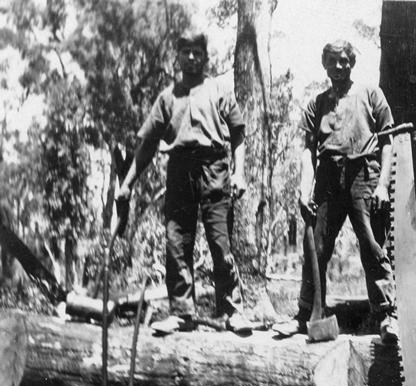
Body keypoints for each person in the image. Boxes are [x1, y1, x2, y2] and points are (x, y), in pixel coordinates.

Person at [116, 31, 257, 335]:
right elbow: (147, 146)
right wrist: (127, 183)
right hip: (179, 170)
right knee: (176, 242)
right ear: (177, 57)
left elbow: (238, 136)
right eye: (186, 52)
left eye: (197, 52)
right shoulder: (167, 98)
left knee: (220, 243)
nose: (192, 58)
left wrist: (239, 173)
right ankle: (182, 313)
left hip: (214, 168)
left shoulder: (220, 90)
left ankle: (232, 310)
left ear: (205, 57)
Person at [272, 40, 397, 342]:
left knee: (371, 245)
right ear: (324, 64)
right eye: (333, 61)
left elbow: (389, 142)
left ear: (352, 63)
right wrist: (304, 191)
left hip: (363, 175)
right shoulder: (317, 103)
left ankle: (387, 315)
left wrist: (382, 186)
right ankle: (306, 316)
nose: (339, 66)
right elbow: (306, 150)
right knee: (316, 249)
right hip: (327, 181)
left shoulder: (370, 94)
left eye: (344, 61)